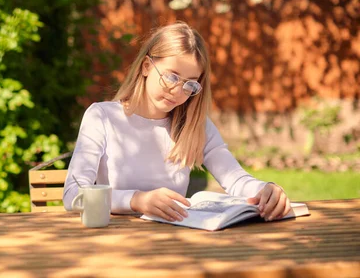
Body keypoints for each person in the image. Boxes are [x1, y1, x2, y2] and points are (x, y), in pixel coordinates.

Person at [63, 21, 291, 222]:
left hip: (175, 241)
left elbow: (235, 178)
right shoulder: (103, 117)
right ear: (146, 67)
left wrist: (266, 189)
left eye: (189, 83)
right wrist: (137, 200)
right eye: (171, 76)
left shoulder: (193, 125)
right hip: (117, 241)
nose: (177, 90)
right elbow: (74, 194)